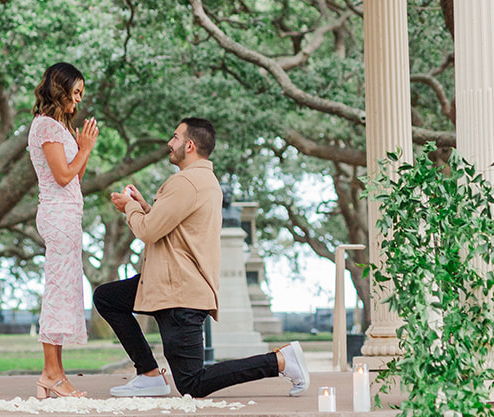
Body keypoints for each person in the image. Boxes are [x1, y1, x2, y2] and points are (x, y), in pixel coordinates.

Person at [94, 117, 310, 399]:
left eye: (175, 137)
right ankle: (148, 374)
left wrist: (131, 207)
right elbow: (168, 227)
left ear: (190, 145)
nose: (169, 143)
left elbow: (148, 232)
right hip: (167, 283)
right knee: (108, 298)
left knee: (192, 384)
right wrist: (144, 206)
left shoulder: (185, 182)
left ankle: (280, 361)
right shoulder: (204, 181)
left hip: (178, 293)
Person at [27, 61, 99, 400]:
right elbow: (62, 176)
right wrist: (84, 149)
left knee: (65, 288)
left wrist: (82, 148)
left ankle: (53, 374)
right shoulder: (45, 128)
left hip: (70, 214)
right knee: (57, 289)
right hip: (56, 215)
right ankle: (51, 373)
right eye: (76, 92)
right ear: (61, 89)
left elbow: (76, 177)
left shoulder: (61, 127)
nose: (79, 100)